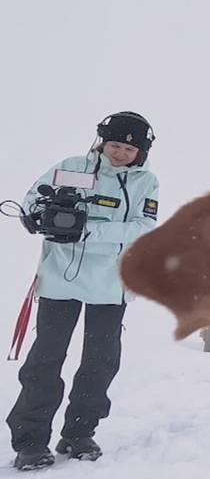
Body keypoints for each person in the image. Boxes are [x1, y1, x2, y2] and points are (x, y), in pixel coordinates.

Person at [6, 112, 159, 471]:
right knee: (45, 361)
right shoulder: (72, 166)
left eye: (129, 148)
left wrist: (90, 232)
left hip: (111, 285)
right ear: (102, 141)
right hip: (60, 279)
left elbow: (143, 227)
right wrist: (36, 215)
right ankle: (30, 441)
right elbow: (33, 200)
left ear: (141, 151)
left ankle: (78, 433)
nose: (120, 153)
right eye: (115, 145)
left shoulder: (145, 182)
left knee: (99, 363)